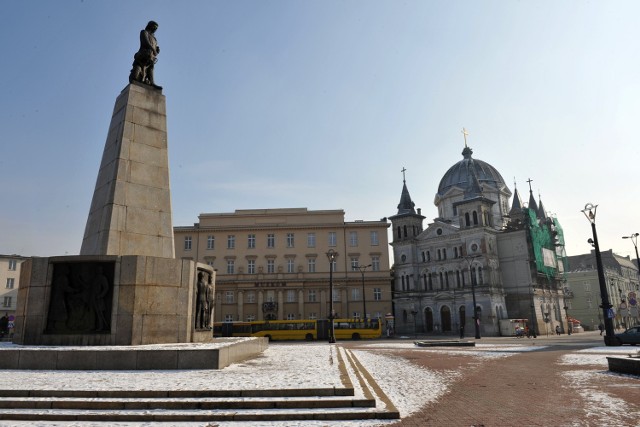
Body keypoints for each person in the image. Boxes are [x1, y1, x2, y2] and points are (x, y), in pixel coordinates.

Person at [129, 21, 162, 90]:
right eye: (154, 27)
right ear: (150, 25)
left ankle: (152, 82)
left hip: (151, 57)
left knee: (151, 67)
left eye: (156, 28)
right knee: (136, 76)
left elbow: (155, 47)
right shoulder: (144, 32)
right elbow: (145, 42)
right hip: (142, 55)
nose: (155, 29)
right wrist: (153, 49)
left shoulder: (154, 39)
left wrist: (156, 50)